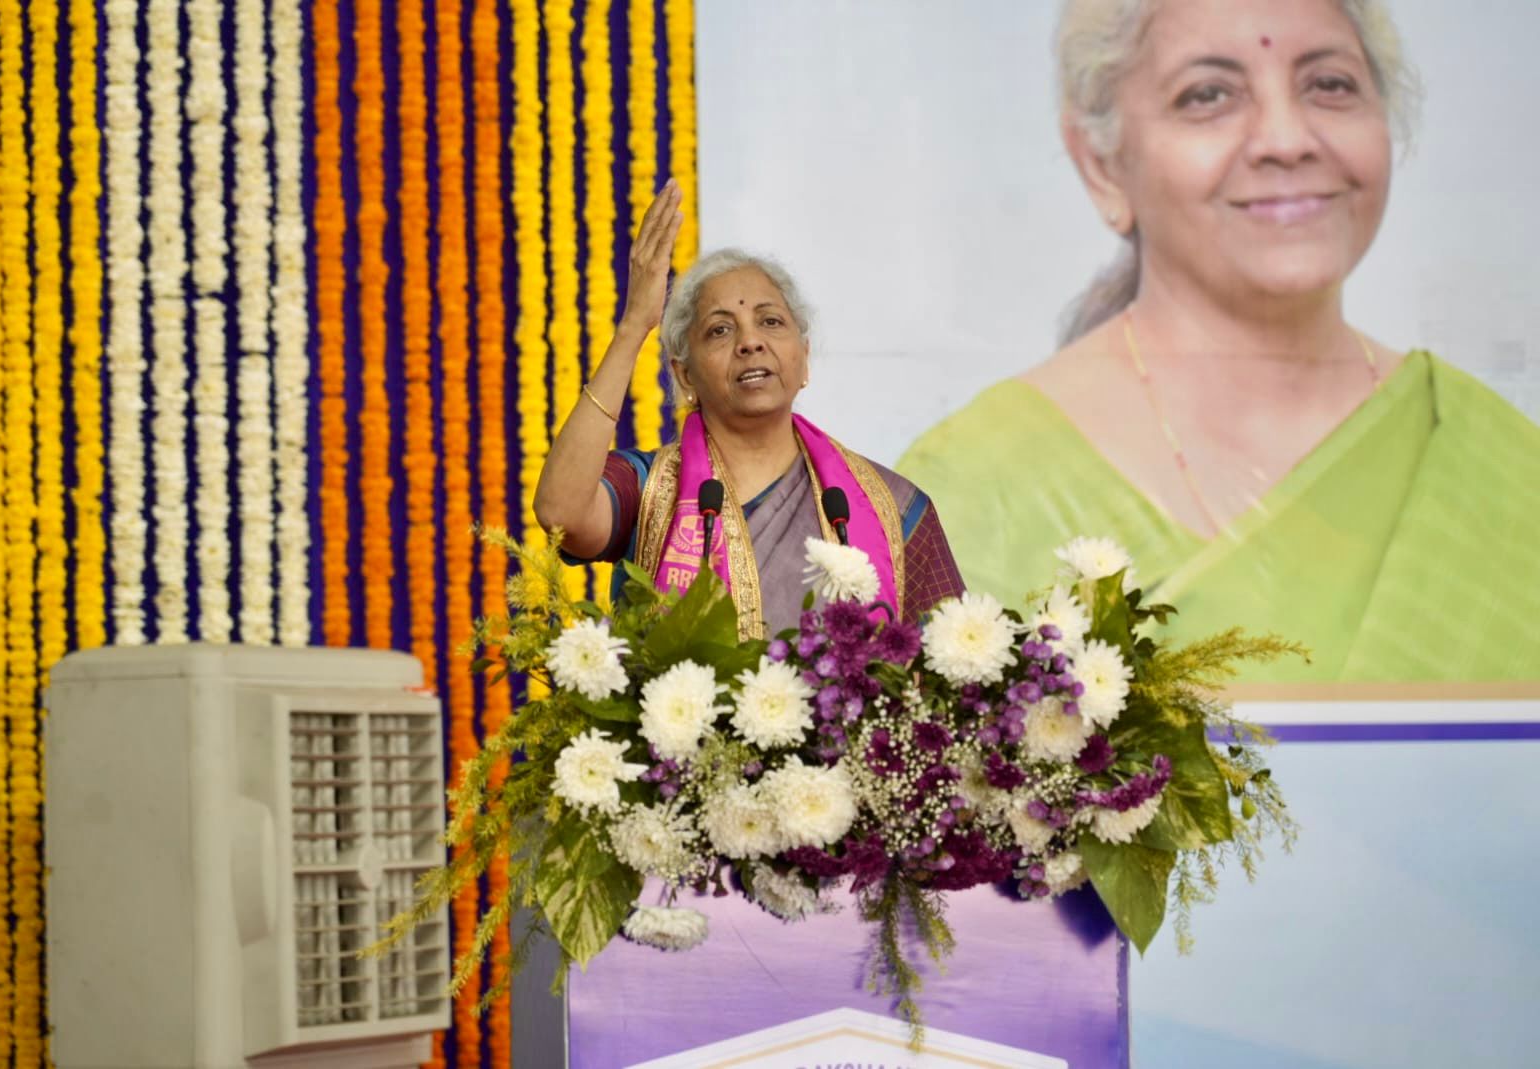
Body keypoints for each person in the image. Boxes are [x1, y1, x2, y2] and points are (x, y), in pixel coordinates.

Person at [899, 0, 1540, 681]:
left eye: (1330, 84)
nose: (1287, 138)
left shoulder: (1503, 472)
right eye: (1208, 95)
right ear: (1102, 164)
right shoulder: (974, 493)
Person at [535, 181, 965, 639]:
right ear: (685, 376)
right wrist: (635, 324)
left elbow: (955, 671)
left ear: (804, 357)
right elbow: (562, 512)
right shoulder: (650, 488)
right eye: (720, 330)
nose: (750, 341)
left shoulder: (889, 507)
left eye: (771, 321)